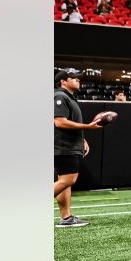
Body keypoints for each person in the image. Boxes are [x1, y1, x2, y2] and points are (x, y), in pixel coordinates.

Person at [54, 69, 105, 227]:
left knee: (65, 181)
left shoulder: (69, 97)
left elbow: (70, 122)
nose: (78, 80)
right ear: (63, 81)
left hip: (70, 144)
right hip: (64, 146)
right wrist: (87, 127)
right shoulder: (60, 96)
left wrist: (82, 139)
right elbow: (60, 122)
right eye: (73, 78)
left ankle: (66, 218)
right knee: (69, 179)